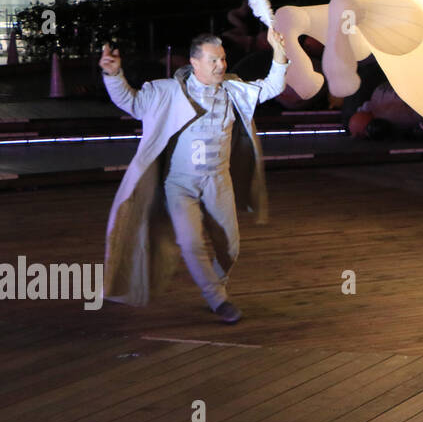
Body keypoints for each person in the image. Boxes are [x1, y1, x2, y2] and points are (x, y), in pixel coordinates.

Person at [99, 31, 288, 323]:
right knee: (191, 243)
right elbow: (133, 103)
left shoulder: (233, 90)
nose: (221, 65)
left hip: (218, 182)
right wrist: (113, 74)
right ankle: (217, 299)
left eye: (223, 59)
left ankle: (216, 287)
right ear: (194, 63)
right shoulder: (168, 91)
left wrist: (278, 52)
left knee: (230, 247)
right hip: (179, 184)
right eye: (213, 60)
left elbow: (273, 86)